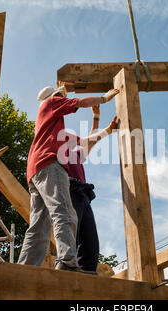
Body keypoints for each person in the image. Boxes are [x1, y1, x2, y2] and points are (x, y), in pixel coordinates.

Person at [17, 81, 119, 273]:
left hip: (36, 171)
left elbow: (87, 142)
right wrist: (104, 98)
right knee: (64, 213)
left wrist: (100, 123)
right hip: (50, 167)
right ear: (55, 97)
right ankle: (66, 262)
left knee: (40, 225)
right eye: (60, 97)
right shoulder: (51, 104)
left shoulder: (56, 134)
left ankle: (26, 269)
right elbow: (78, 102)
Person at [67, 104, 117, 274]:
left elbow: (92, 139)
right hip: (70, 191)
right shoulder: (57, 155)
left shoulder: (76, 155)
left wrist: (96, 117)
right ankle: (66, 269)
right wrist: (108, 129)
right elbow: (89, 139)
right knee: (70, 236)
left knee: (90, 242)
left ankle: (87, 273)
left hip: (84, 196)